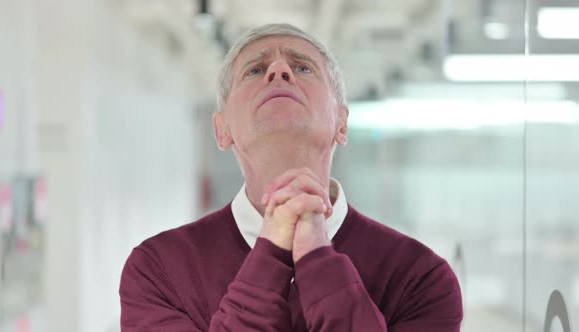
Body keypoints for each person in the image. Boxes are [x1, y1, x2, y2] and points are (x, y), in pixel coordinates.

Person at [119, 23, 463, 331]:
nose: (279, 70)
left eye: (302, 67)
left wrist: (317, 257)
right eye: (255, 70)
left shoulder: (421, 278)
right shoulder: (158, 271)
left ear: (341, 123)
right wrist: (272, 252)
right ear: (222, 130)